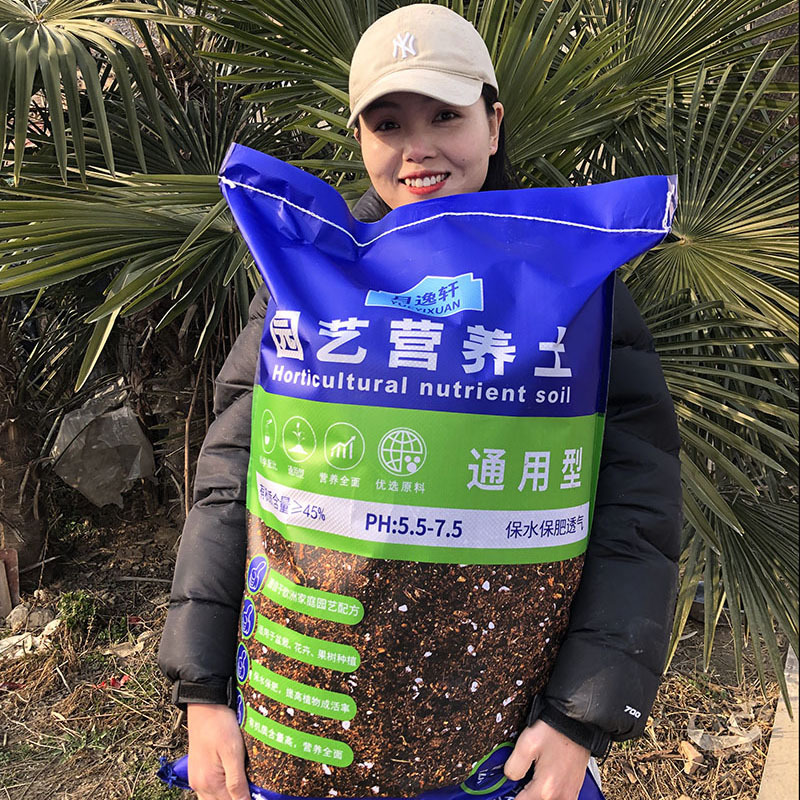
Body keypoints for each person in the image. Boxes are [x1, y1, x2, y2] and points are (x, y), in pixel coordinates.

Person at [158, 6, 682, 800]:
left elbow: (637, 509)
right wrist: (202, 690)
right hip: (309, 722)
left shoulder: (572, 284)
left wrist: (582, 716)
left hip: (502, 744)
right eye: (389, 123)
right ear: (360, 138)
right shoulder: (307, 277)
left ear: (493, 123)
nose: (418, 147)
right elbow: (233, 476)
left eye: (445, 115)